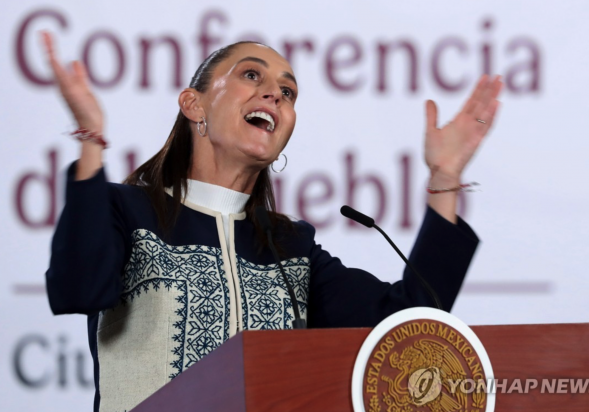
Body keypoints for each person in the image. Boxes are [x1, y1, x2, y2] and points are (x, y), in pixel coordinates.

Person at [42, 31, 502, 412]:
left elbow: (410, 327)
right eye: (251, 75)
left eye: (288, 92)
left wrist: (445, 179)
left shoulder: (290, 246)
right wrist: (91, 141)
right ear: (193, 104)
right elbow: (78, 289)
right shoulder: (126, 210)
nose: (274, 94)